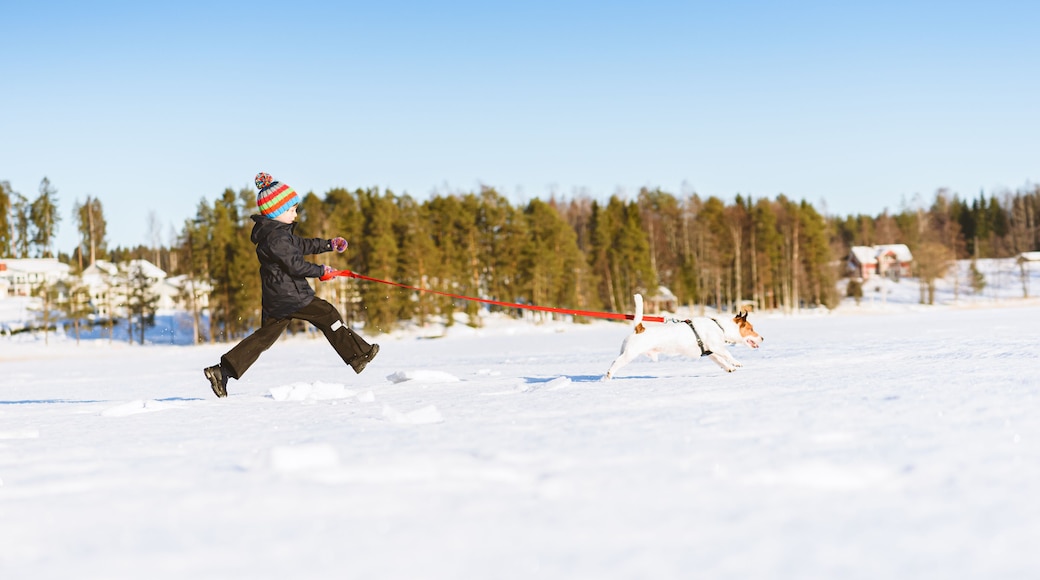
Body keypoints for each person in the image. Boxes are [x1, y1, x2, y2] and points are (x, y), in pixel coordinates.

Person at [203, 172, 379, 398]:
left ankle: (222, 371)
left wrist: (328, 244)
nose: (295, 214)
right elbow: (295, 266)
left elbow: (302, 245)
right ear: (277, 211)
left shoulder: (277, 234)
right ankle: (358, 355)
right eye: (291, 209)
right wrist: (321, 271)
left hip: (277, 297)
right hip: (290, 296)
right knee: (328, 314)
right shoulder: (276, 239)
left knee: (264, 338)